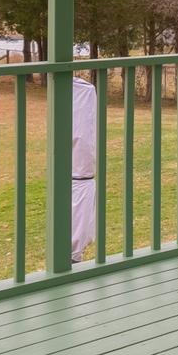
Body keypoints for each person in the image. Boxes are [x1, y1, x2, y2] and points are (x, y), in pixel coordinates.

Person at [70, 71, 98, 265]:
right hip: (79, 174)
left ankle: (73, 256)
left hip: (81, 174)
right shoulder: (84, 91)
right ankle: (72, 256)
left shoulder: (85, 90)